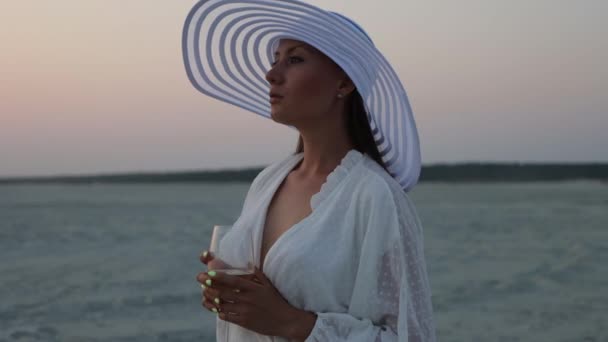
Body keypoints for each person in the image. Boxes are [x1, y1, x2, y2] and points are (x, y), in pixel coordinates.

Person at [185, 1, 437, 340]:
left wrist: (291, 323)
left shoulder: (374, 197)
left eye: (295, 59)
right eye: (275, 60)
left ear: (345, 83)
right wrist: (226, 283)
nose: (271, 74)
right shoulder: (267, 183)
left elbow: (410, 335)